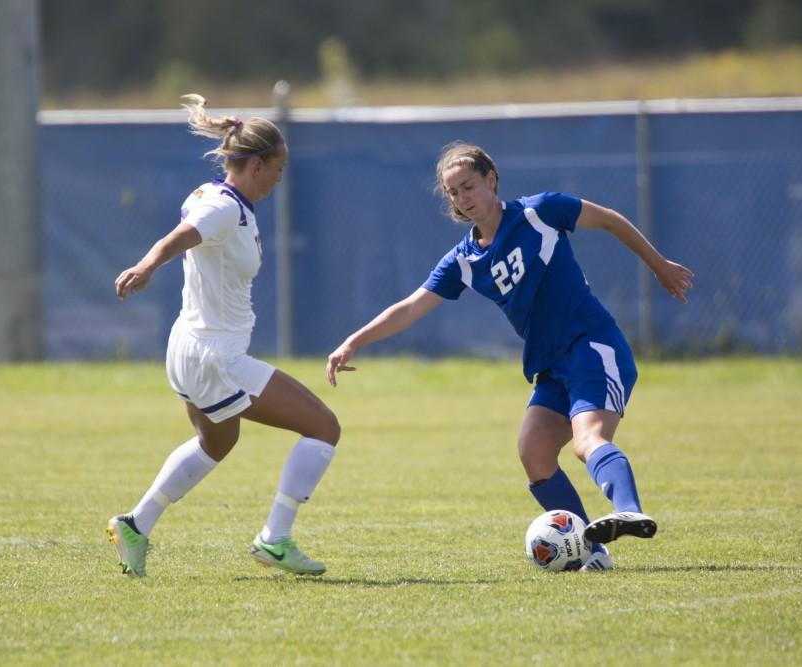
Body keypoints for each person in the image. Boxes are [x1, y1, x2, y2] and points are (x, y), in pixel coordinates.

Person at [326, 142, 693, 571]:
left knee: (587, 440)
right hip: (550, 366)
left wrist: (658, 264)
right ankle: (593, 552)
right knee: (533, 453)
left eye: (469, 186)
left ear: (491, 180)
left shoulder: (541, 212)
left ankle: (629, 510)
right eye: (455, 193)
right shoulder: (465, 259)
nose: (464, 198)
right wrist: (353, 341)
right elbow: (410, 307)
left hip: (593, 345)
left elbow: (609, 220)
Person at [108, 94, 339, 577]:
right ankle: (275, 540)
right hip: (217, 354)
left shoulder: (210, 195)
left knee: (217, 443)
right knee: (323, 427)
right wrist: (147, 265)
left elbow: (195, 223)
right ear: (255, 165)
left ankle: (136, 523)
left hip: (187, 348)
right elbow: (183, 236)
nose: (281, 177)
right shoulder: (224, 208)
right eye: (278, 167)